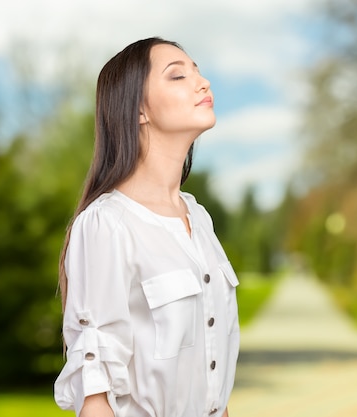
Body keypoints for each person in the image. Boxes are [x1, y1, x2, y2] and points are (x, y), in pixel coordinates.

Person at [54, 37, 240, 417]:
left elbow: (211, 375)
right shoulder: (107, 224)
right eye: (177, 76)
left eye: (199, 71)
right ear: (138, 108)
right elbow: (95, 393)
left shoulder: (198, 218)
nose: (202, 83)